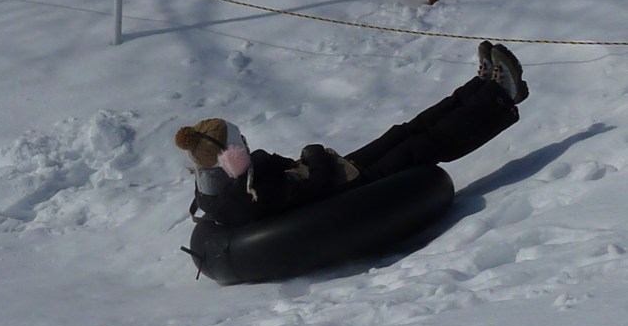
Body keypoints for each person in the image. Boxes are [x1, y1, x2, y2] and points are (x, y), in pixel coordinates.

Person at [176, 42, 529, 227]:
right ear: (228, 157)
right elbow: (312, 188)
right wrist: (314, 156)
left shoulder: (222, 182)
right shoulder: (244, 194)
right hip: (344, 190)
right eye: (240, 144)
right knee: (422, 144)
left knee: (404, 131)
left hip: (340, 174)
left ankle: (481, 87)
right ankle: (501, 97)